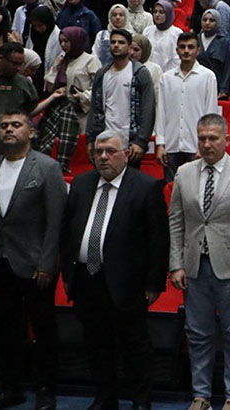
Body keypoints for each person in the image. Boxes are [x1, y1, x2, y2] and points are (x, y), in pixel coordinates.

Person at [59, 129, 166, 410]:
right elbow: (67, 231)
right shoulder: (81, 184)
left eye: (110, 151)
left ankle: (141, 401)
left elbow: (158, 240)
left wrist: (154, 283)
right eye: (98, 152)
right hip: (85, 278)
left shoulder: (145, 187)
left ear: (126, 154)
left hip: (127, 281)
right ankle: (105, 397)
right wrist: (68, 274)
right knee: (96, 343)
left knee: (134, 345)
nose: (103, 157)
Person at [168, 113, 230, 410]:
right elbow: (175, 222)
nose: (207, 144)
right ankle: (201, 396)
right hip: (195, 265)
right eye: (202, 138)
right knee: (197, 334)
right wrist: (176, 263)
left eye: (213, 138)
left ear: (226, 140)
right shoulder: (184, 173)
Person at [0, 110, 65, 410]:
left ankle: (45, 388)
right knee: (5, 329)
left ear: (31, 132)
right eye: (3, 126)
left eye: (16, 125)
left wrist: (47, 262)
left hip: (35, 263)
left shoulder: (48, 168)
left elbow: (55, 221)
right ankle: (10, 388)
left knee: (43, 328)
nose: (8, 130)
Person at [32, 26, 98, 173]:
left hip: (80, 113)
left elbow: (98, 89)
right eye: (61, 42)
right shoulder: (62, 60)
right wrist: (55, 67)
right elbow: (48, 87)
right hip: (59, 110)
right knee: (48, 144)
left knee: (76, 150)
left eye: (67, 41)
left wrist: (82, 96)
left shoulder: (90, 61)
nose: (63, 45)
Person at [85, 30, 155, 163]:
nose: (116, 45)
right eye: (113, 42)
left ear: (129, 48)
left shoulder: (139, 73)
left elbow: (148, 108)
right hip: (105, 138)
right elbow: (95, 108)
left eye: (121, 42)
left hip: (130, 141)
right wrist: (91, 139)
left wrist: (141, 141)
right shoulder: (101, 74)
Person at [155, 32, 218, 180]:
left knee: (195, 192)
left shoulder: (208, 77)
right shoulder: (166, 78)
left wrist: (204, 144)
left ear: (198, 50)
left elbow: (210, 113)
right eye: (182, 47)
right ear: (176, 50)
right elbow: (161, 112)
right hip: (171, 144)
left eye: (190, 47)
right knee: (171, 191)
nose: (186, 51)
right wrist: (160, 144)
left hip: (195, 145)